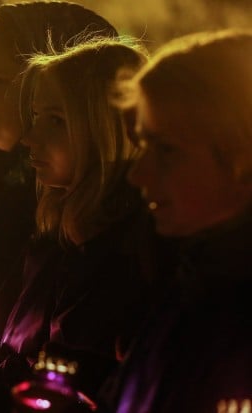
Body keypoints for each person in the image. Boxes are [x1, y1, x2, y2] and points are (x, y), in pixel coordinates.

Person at [0, 37, 168, 413]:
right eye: (36, 117)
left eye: (56, 120)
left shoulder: (124, 258)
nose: (29, 138)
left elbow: (71, 393)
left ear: (104, 128)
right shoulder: (57, 238)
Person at [101, 29, 252, 413]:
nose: (138, 175)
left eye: (166, 150)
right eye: (143, 145)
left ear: (243, 158)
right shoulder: (191, 282)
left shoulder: (229, 312)